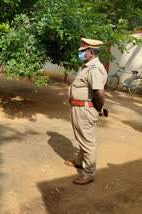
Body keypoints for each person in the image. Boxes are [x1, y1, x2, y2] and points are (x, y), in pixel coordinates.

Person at [64, 38, 108, 185]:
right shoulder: (87, 66)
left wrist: (99, 108)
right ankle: (79, 161)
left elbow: (99, 93)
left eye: (83, 51)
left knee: (87, 140)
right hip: (80, 107)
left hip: (85, 108)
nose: (81, 54)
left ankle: (89, 173)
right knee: (81, 136)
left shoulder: (94, 68)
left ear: (91, 52)